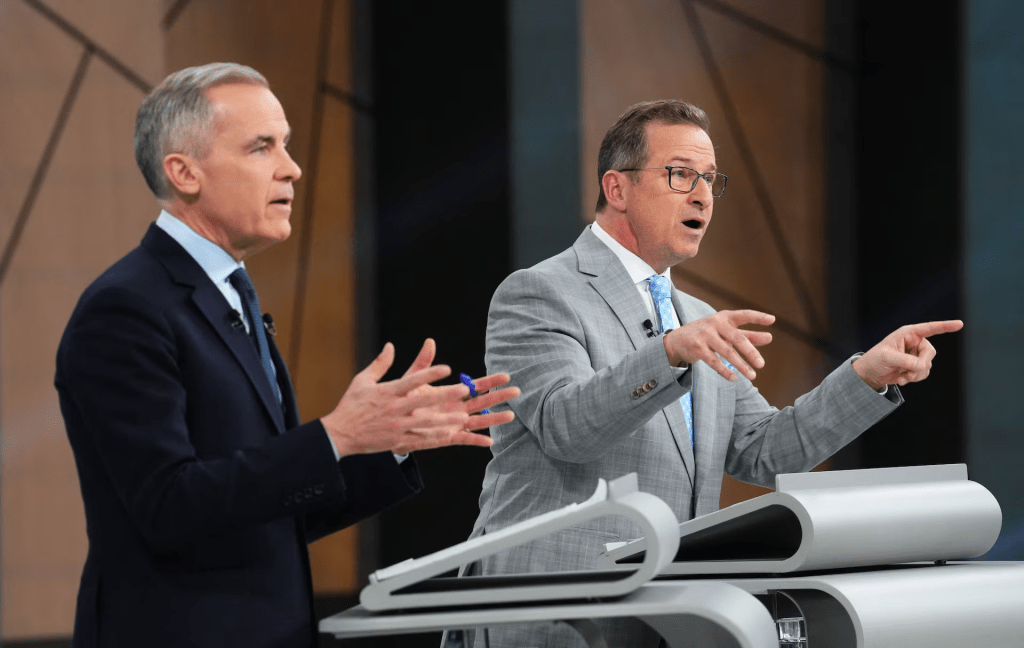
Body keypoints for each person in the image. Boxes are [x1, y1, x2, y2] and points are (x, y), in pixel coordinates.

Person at [464, 100, 962, 648]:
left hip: (673, 613)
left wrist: (866, 376)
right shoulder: (541, 292)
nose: (702, 194)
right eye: (681, 175)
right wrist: (670, 353)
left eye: (709, 179)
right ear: (617, 189)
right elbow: (566, 428)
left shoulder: (695, 318)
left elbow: (769, 450)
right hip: (558, 611)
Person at [55, 62, 518, 648]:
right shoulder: (125, 309)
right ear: (184, 172)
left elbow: (272, 508)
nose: (292, 167)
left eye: (288, 144)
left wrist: (389, 442)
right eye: (261, 147)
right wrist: (335, 436)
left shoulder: (233, 296)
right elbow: (168, 507)